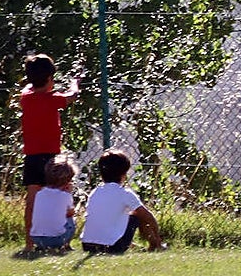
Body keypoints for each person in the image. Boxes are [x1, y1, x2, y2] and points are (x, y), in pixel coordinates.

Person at [20, 53, 79, 250]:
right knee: (62, 193)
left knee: (32, 201)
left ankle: (30, 243)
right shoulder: (54, 99)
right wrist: (74, 83)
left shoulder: (26, 97)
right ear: (50, 79)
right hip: (52, 156)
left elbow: (29, 87)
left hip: (32, 156)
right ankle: (63, 241)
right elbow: (72, 96)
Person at [80, 148, 166, 254]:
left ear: (101, 174)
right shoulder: (125, 193)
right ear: (124, 174)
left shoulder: (94, 192)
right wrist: (157, 234)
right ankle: (156, 244)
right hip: (113, 247)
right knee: (137, 216)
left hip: (87, 245)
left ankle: (133, 244)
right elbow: (148, 216)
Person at [29, 155, 79, 252]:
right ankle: (65, 244)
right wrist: (69, 193)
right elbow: (70, 213)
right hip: (57, 239)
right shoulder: (65, 196)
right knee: (71, 220)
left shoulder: (39, 194)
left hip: (36, 238)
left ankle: (42, 246)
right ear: (67, 181)